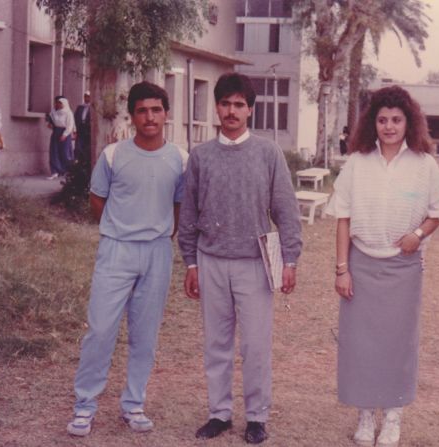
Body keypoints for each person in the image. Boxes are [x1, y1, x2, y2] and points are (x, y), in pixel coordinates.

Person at [178, 72, 302, 444]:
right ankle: (219, 413)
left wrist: (290, 261)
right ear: (216, 107)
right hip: (211, 259)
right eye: (225, 104)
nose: (231, 111)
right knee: (216, 342)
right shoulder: (200, 156)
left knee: (255, 344)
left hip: (255, 263)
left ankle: (256, 416)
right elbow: (188, 215)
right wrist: (191, 263)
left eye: (239, 105)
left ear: (250, 109)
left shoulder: (268, 153)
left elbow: (285, 209)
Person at [325, 86, 439, 447]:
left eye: (396, 120)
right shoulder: (357, 162)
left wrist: (417, 233)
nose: (389, 126)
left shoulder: (424, 164)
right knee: (360, 344)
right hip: (361, 265)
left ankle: (392, 417)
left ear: (408, 122)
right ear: (372, 123)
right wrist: (342, 269)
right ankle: (365, 415)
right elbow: (343, 218)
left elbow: (437, 213)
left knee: (398, 345)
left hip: (404, 268)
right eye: (382, 120)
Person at [66, 81, 186, 437]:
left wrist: (161, 233)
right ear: (133, 116)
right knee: (101, 330)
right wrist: (122, 228)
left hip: (157, 252)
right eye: (142, 110)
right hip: (116, 249)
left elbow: (179, 204)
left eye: (156, 110)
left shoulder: (180, 159)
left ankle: (133, 405)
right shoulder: (114, 154)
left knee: (144, 335)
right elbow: (97, 199)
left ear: (166, 113)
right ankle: (84, 406)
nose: (150, 117)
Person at [46, 96, 75, 179]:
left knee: (65, 152)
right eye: (57, 103)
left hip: (64, 132)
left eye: (60, 103)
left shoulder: (68, 113)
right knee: (54, 151)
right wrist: (50, 125)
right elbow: (51, 121)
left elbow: (70, 125)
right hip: (56, 132)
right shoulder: (54, 111)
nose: (58, 104)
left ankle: (67, 171)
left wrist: (65, 134)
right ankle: (55, 171)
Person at [74, 91, 92, 169]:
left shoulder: (93, 107)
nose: (86, 98)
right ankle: (78, 163)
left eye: (88, 97)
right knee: (78, 147)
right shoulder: (80, 107)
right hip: (80, 129)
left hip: (88, 130)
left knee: (87, 147)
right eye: (85, 96)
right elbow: (75, 118)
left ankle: (86, 164)